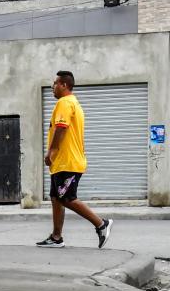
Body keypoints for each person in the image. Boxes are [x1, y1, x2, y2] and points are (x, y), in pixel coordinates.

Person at [37, 70, 113, 249]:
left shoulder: (65, 102)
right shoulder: (74, 103)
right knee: (56, 198)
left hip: (67, 161)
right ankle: (56, 237)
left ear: (64, 85)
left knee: (67, 198)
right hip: (63, 162)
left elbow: (61, 129)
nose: (52, 87)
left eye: (55, 84)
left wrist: (51, 152)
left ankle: (101, 224)